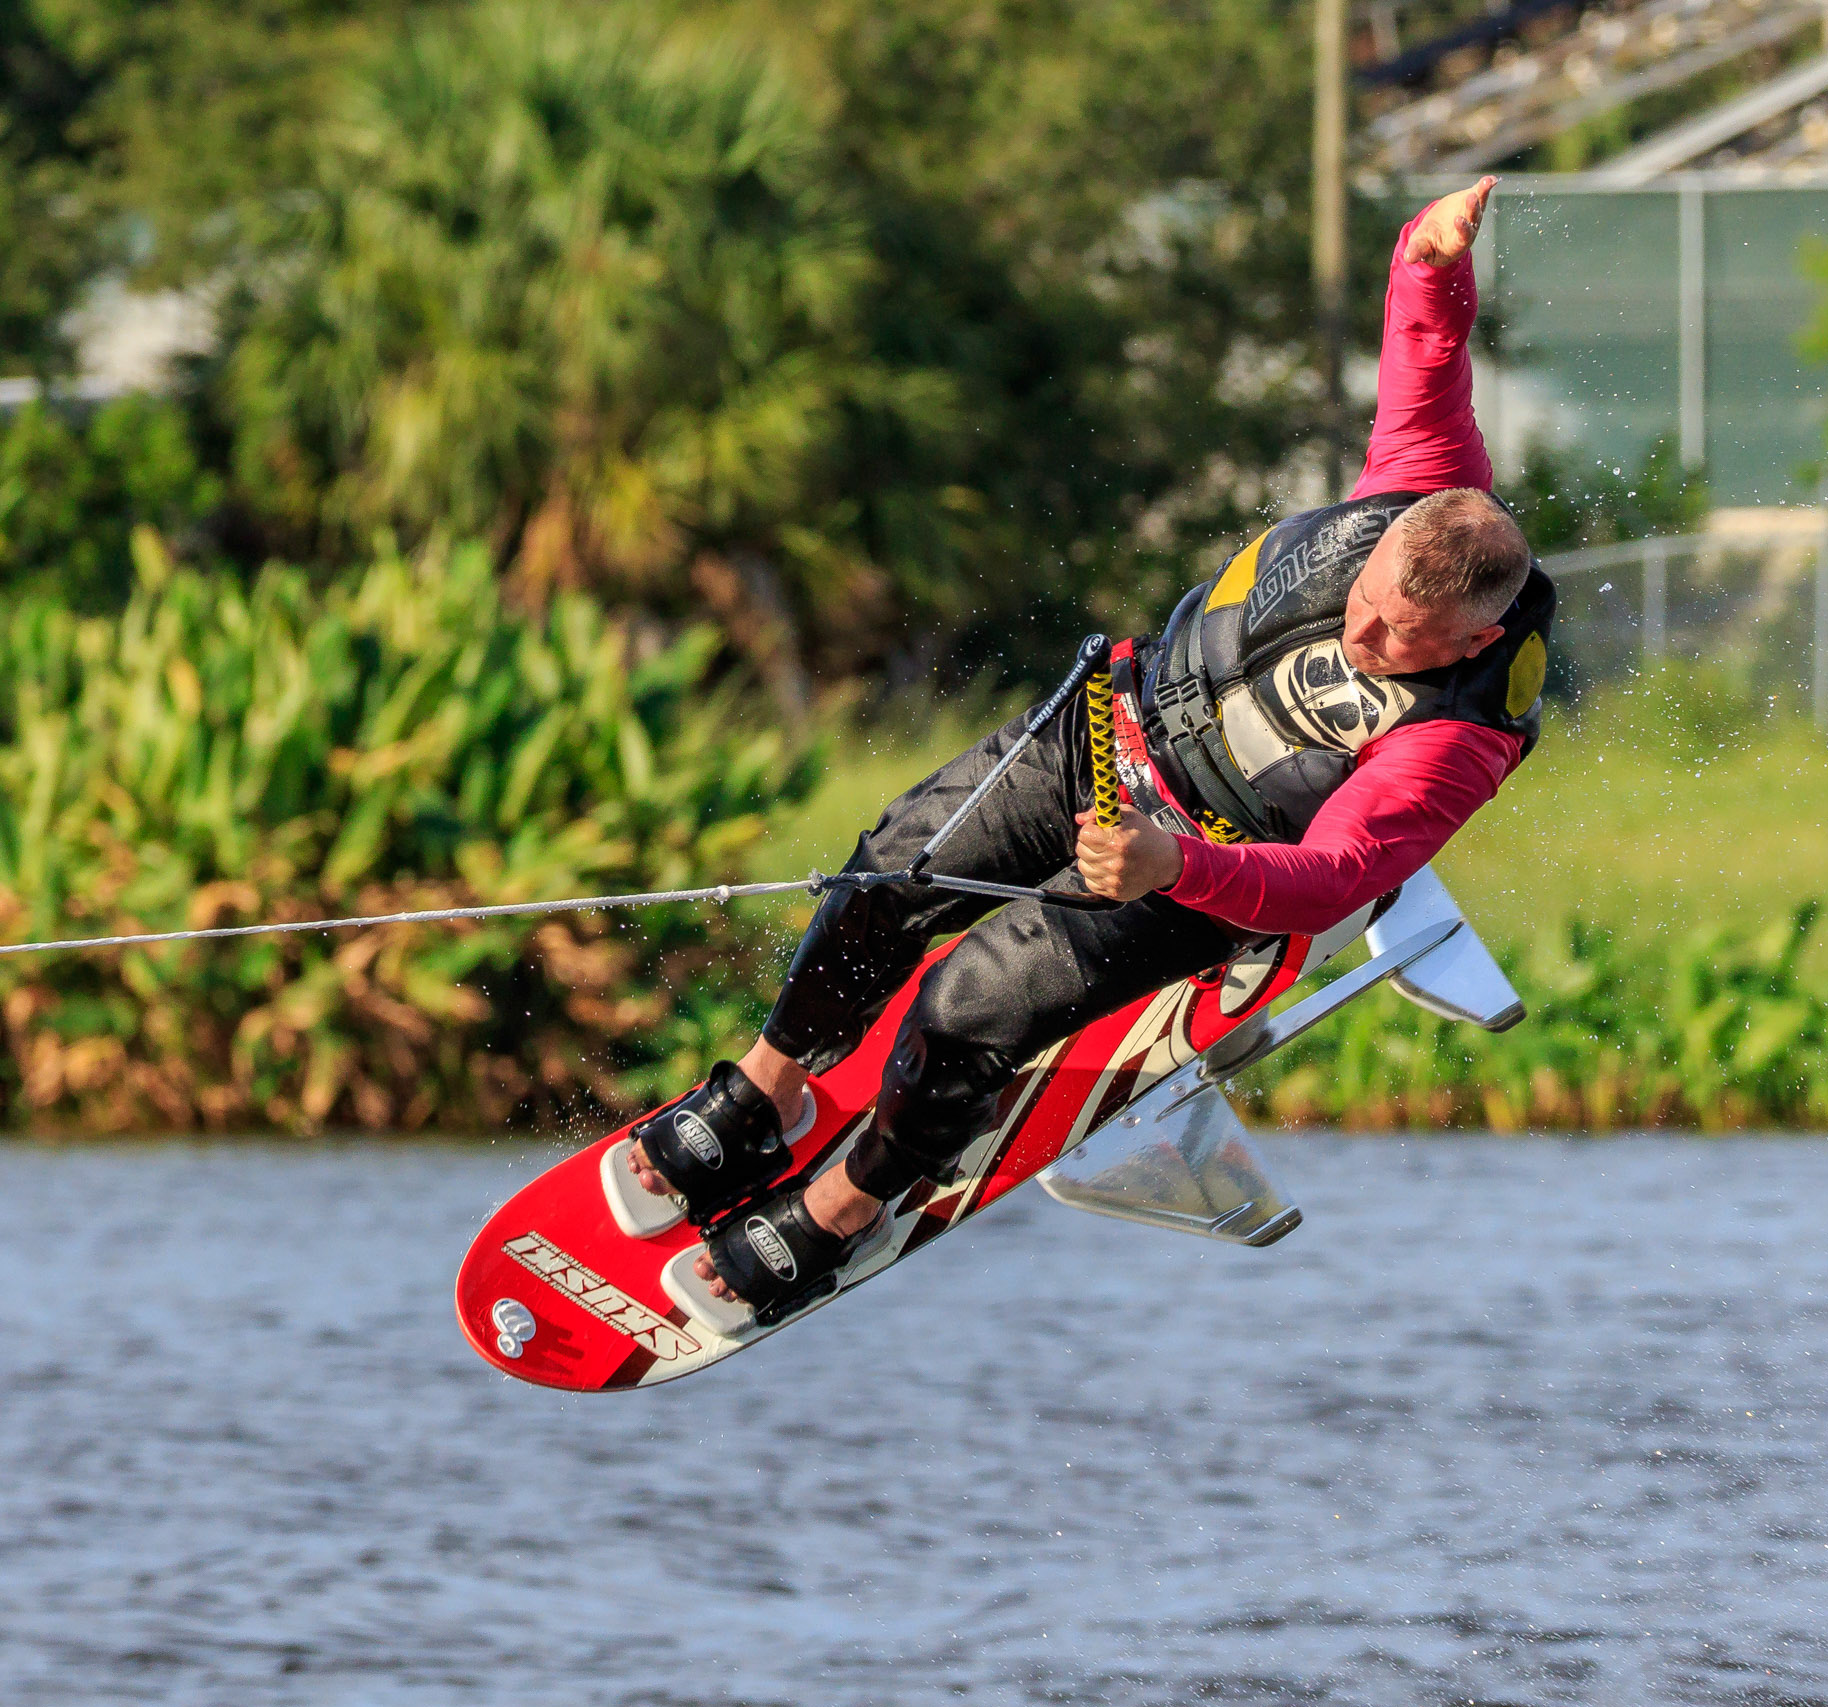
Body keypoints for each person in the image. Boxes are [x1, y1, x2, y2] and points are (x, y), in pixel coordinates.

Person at [614, 174, 1554, 1325]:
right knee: (887, 871)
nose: (1359, 636)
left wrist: (1174, 868)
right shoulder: (1417, 482)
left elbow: (1335, 879)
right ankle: (765, 1094)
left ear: (1475, 633)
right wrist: (1429, 250)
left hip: (1207, 864)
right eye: (1362, 603)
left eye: (1395, 640)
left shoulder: (1457, 736)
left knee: (968, 1005)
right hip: (1106, 735)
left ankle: (852, 1205)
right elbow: (1422, 342)